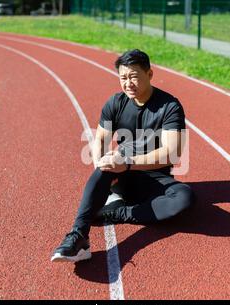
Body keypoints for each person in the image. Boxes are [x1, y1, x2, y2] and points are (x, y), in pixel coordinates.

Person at [51, 49, 194, 263]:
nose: (128, 83)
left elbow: (171, 153)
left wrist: (127, 163)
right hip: (120, 175)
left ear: (150, 74)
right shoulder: (116, 102)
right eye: (123, 78)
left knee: (185, 198)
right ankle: (79, 235)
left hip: (151, 176)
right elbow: (100, 139)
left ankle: (114, 213)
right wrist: (103, 163)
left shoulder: (170, 106)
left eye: (134, 76)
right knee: (105, 165)